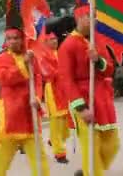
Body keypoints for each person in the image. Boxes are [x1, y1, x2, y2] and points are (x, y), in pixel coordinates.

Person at [59, 4, 119, 176]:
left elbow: (110, 69)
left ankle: (87, 172)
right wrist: (81, 108)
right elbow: (66, 80)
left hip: (103, 98)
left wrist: (98, 59)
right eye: (90, 16)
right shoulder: (67, 45)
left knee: (112, 144)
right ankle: (92, 171)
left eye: (95, 16)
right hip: (83, 99)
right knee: (91, 148)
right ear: (79, 17)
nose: (94, 20)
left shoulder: (97, 41)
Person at [0, 27, 50, 176]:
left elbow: (37, 79)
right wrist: (23, 64)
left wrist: (37, 97)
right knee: (2, 159)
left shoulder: (31, 56)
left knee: (39, 157)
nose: (12, 41)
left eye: (16, 38)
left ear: (22, 39)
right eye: (9, 38)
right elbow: (4, 79)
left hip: (29, 112)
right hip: (11, 113)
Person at [41, 32, 70, 164]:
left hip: (64, 90)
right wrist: (63, 71)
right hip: (52, 90)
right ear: (45, 42)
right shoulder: (43, 57)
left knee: (65, 124)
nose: (54, 41)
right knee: (56, 121)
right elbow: (49, 73)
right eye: (51, 39)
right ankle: (60, 154)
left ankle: (53, 140)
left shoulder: (61, 53)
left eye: (55, 39)